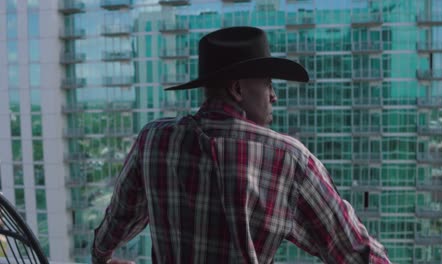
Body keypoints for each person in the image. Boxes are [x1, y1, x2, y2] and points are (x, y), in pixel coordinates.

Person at [92, 26, 391, 264]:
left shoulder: (153, 140)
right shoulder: (287, 159)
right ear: (238, 89)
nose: (274, 96)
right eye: (268, 84)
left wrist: (101, 258)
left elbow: (117, 222)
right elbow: (353, 252)